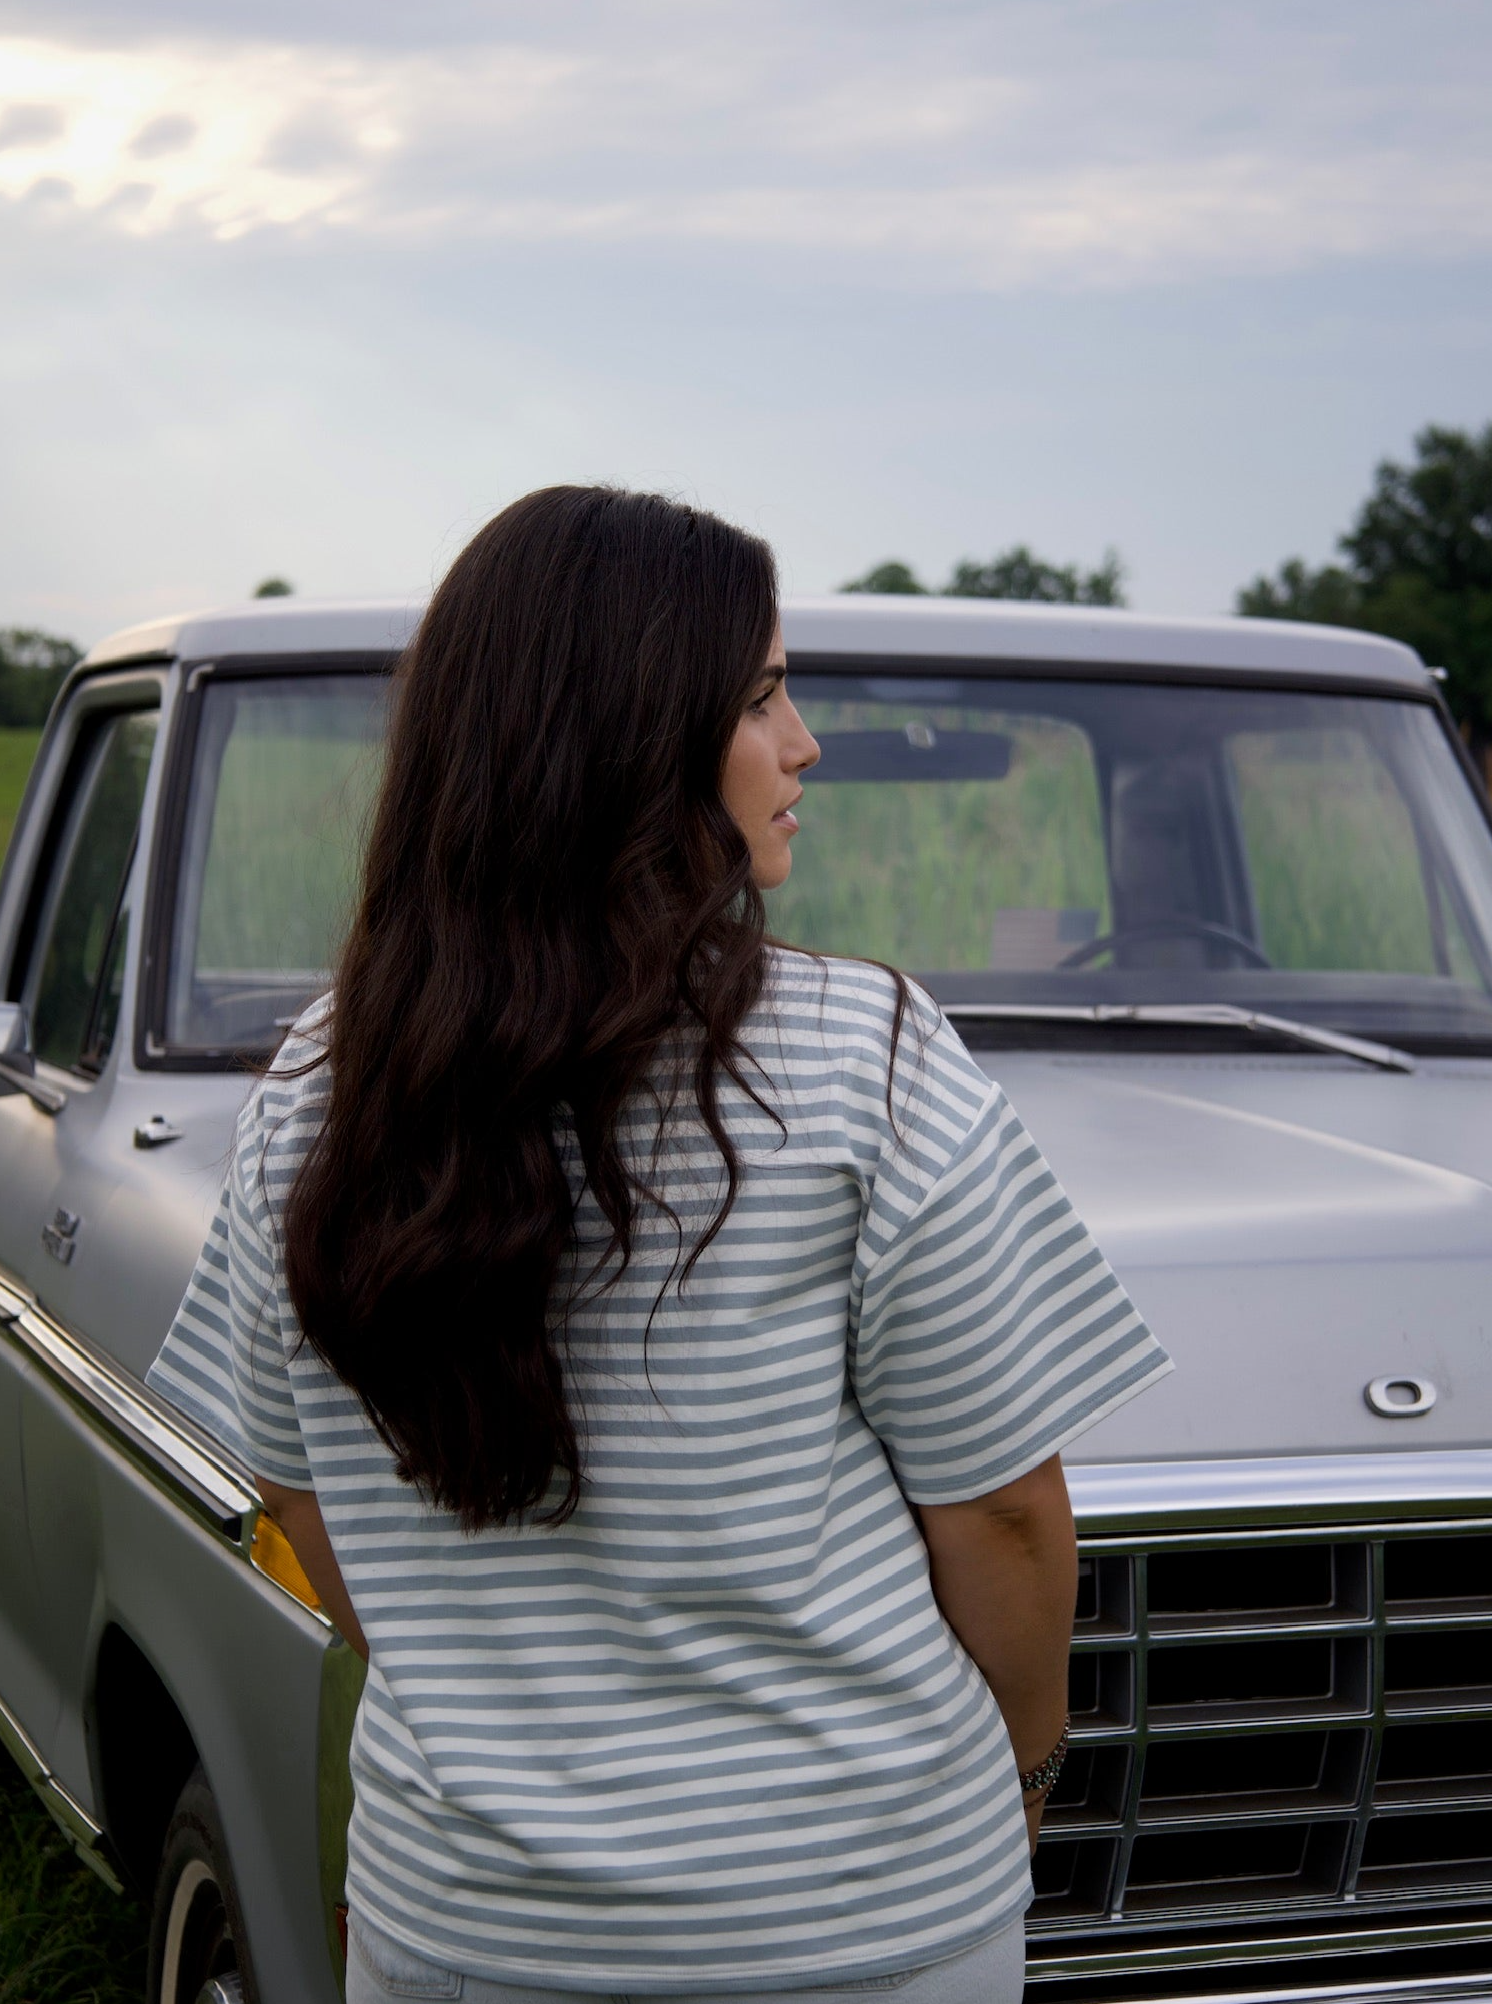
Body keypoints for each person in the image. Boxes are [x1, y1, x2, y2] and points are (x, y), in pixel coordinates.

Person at [147, 486, 1171, 2004]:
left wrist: (479, 1701)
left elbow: (299, 1494)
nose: (804, 743)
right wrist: (1018, 1774)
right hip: (863, 1923)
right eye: (760, 698)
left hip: (469, 1923)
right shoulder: (863, 1056)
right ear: (626, 744)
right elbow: (1006, 1521)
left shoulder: (319, 1083)